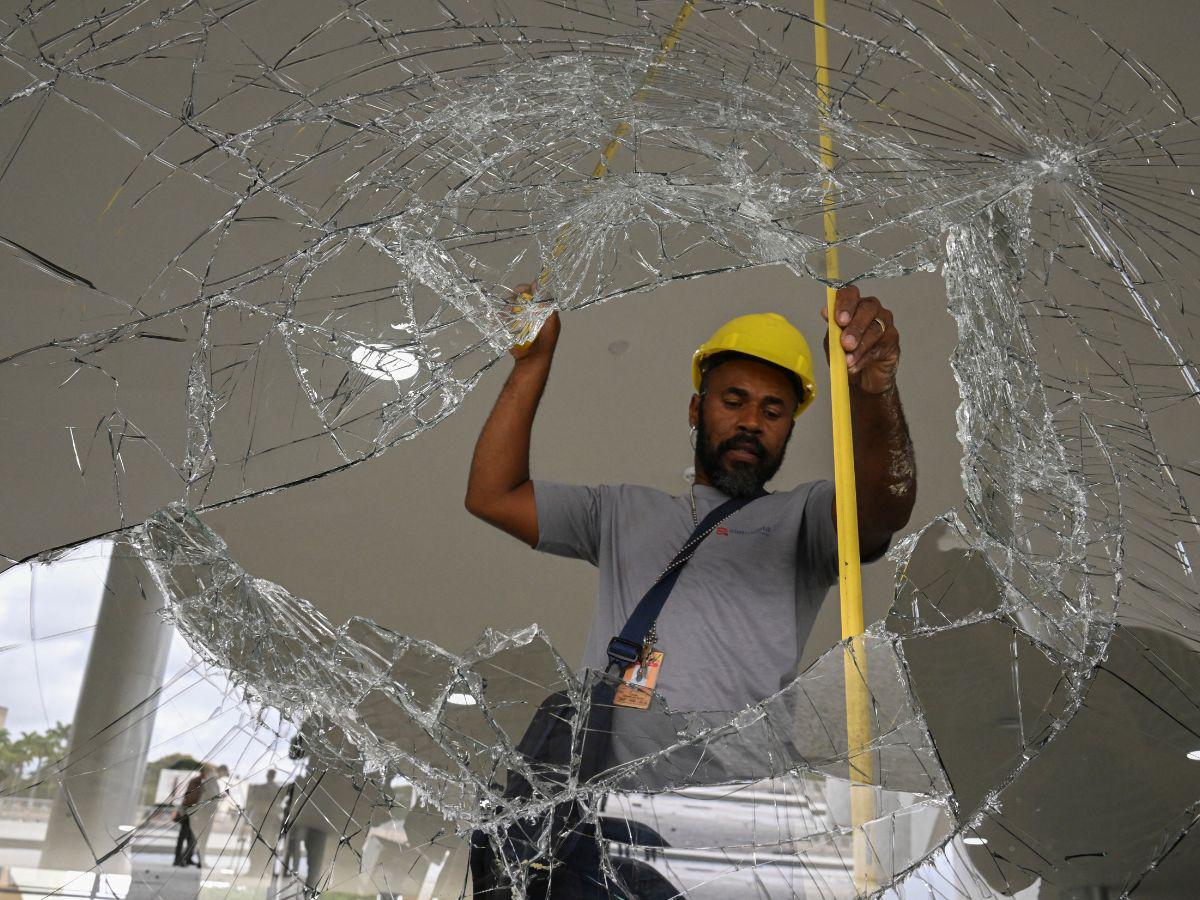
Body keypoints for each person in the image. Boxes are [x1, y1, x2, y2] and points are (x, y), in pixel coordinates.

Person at [465, 284, 916, 767]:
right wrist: (533, 362)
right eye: (734, 401)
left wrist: (875, 392)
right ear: (696, 411)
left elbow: (885, 507)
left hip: (740, 816)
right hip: (604, 803)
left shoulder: (804, 518)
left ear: (788, 427)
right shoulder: (621, 512)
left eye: (772, 410)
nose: (751, 422)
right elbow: (493, 495)